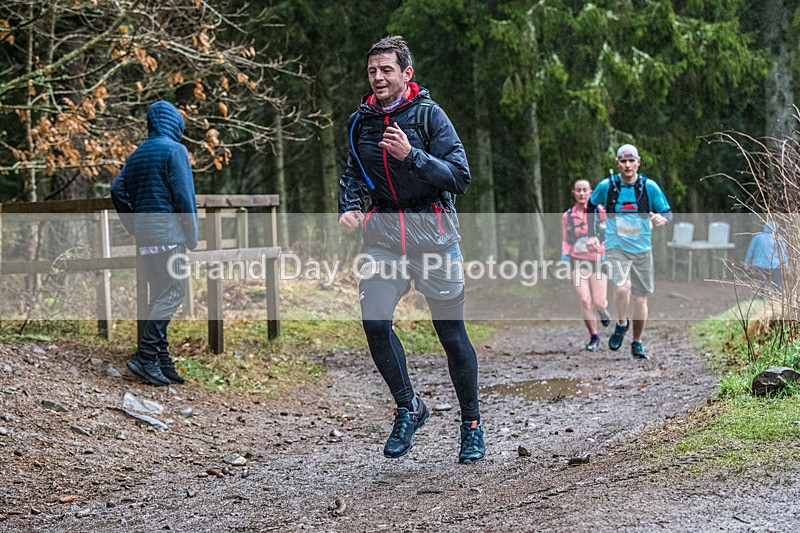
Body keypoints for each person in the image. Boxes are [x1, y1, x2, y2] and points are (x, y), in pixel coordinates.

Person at [338, 36, 484, 463]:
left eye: (386, 70)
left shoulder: (430, 116)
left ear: (406, 74)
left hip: (434, 235)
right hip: (384, 235)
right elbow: (354, 175)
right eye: (372, 71)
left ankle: (471, 426)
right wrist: (348, 207)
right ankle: (409, 407)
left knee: (451, 336)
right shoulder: (360, 122)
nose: (378, 77)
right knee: (375, 322)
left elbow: (459, 176)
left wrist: (412, 156)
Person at [111, 100, 198, 386]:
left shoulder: (136, 155)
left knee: (160, 295)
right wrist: (192, 234)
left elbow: (116, 189)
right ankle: (146, 357)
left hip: (146, 239)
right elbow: (185, 197)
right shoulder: (175, 151)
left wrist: (134, 223)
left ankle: (161, 359)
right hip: (168, 237)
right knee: (173, 293)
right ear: (175, 124)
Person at [585, 144, 672, 359]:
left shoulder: (648, 187)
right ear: (617, 163)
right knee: (622, 288)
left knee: (640, 300)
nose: (627, 165)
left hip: (643, 249)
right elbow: (591, 205)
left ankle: (636, 342)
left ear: (638, 162)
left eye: (631, 160)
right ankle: (622, 323)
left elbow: (667, 212)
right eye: (623, 161)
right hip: (616, 247)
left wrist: (662, 219)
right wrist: (592, 234)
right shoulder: (607, 186)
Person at [561, 179, 611, 351]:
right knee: (585, 300)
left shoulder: (601, 212)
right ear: (574, 193)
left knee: (599, 302)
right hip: (578, 260)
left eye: (585, 190)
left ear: (591, 192)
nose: (582, 194)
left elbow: (610, 234)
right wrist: (564, 256)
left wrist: (605, 252)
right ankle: (594, 336)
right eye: (578, 190)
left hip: (598, 260)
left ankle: (603, 310)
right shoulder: (567, 215)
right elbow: (566, 240)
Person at [744, 221, 787, 294]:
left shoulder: (757, 237)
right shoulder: (779, 239)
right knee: (778, 285)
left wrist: (747, 262)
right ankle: (778, 298)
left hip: (760, 265)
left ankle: (763, 298)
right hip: (776, 265)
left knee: (762, 283)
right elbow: (783, 254)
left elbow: (750, 251)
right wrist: (786, 265)